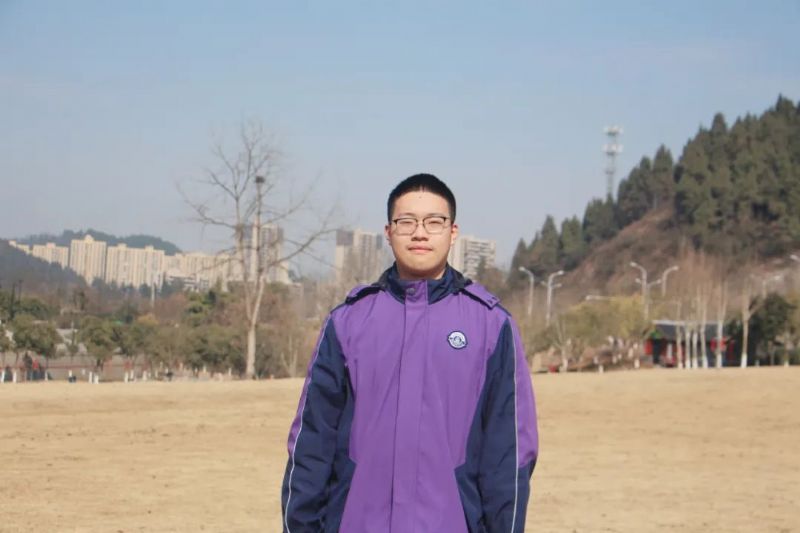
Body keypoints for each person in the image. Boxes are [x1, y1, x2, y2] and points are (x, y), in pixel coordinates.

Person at [281, 174, 538, 532]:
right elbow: (311, 443)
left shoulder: (492, 325)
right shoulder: (348, 322)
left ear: (452, 231)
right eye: (406, 222)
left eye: (434, 222)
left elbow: (508, 457)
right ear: (389, 232)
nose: (420, 233)